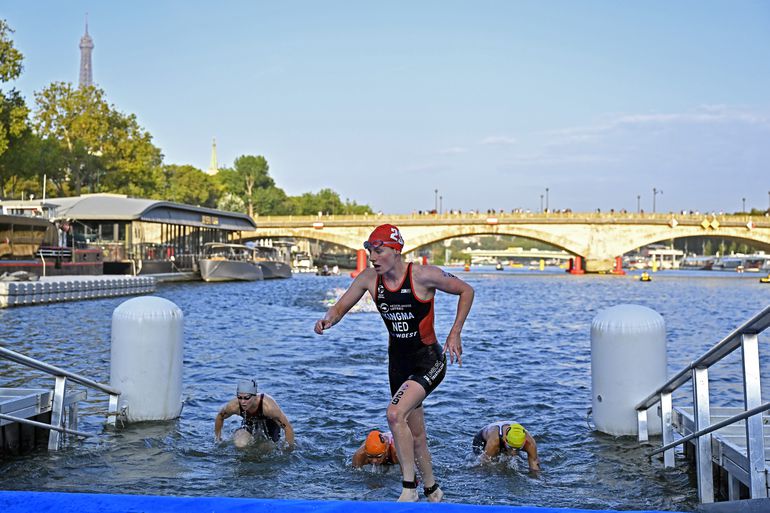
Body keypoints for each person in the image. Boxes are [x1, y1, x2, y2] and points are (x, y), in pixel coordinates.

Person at [314, 224, 474, 502]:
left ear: (396, 251)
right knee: (416, 433)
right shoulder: (369, 279)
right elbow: (341, 307)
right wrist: (328, 319)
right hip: (397, 364)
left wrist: (455, 331)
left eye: (379, 251)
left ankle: (409, 489)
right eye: (370, 251)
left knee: (394, 414)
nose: (373, 257)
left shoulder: (423, 275)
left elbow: (466, 290)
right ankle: (433, 490)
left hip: (428, 360)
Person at [214, 379, 295, 449]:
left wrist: (288, 450)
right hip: (250, 423)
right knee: (240, 444)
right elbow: (220, 417)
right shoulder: (234, 406)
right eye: (240, 397)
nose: (242, 402)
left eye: (246, 398)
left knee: (265, 449)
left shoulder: (268, 407)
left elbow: (287, 427)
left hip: (271, 426)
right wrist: (218, 439)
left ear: (255, 396)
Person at [472, 421, 540, 472]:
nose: (513, 453)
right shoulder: (494, 441)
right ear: (505, 439)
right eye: (510, 448)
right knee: (492, 466)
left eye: (518, 449)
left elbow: (535, 467)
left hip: (506, 435)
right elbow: (483, 464)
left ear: (524, 442)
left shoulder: (530, 443)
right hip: (483, 439)